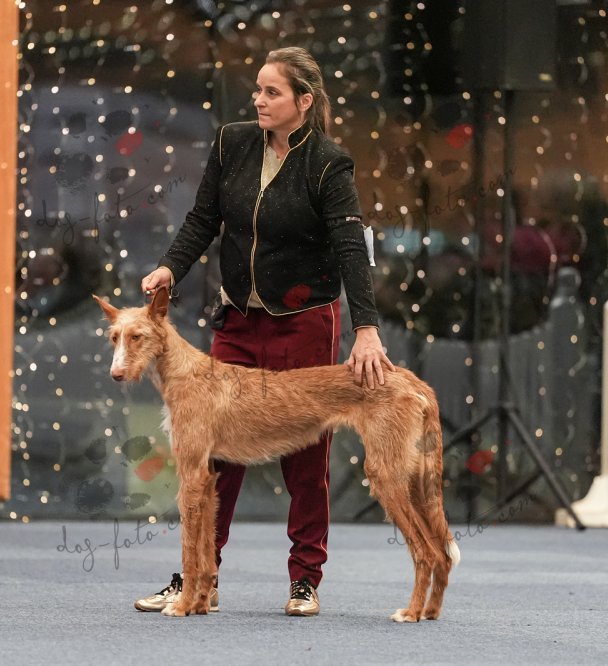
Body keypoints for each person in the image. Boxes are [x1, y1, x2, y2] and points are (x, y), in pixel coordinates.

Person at [135, 46, 393, 617]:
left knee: (306, 460)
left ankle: (305, 579)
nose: (258, 100)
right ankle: (198, 578)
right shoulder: (232, 142)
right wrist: (171, 266)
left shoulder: (328, 163)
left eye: (272, 92)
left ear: (304, 101)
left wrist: (367, 328)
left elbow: (351, 250)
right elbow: (203, 219)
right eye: (257, 89)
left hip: (303, 323)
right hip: (238, 320)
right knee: (212, 457)